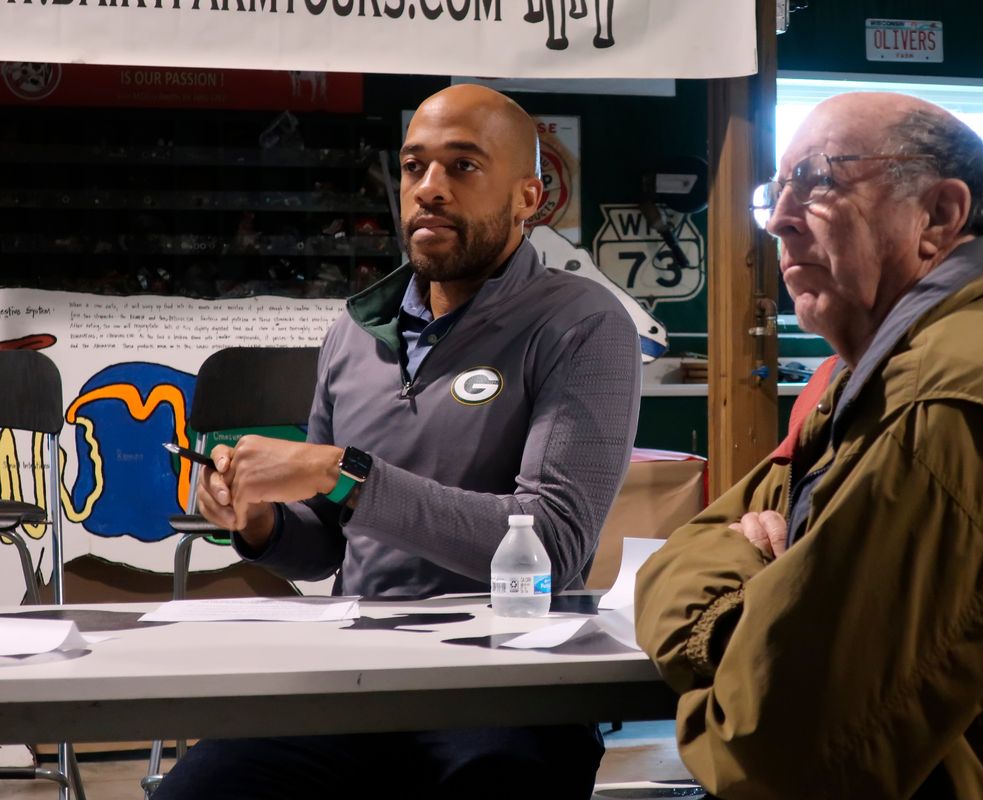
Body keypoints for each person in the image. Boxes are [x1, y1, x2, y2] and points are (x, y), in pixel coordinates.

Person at [634, 92, 983, 799]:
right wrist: (758, 588)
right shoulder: (884, 375)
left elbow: (772, 748)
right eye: (778, 190)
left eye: (818, 180)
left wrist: (747, 607)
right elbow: (691, 544)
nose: (780, 221)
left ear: (939, 216)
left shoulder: (960, 399)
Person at [154, 84, 641, 800]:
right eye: (414, 167)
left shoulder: (582, 325)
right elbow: (327, 545)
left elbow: (553, 544)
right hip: (358, 676)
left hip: (508, 687)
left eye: (463, 167)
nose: (429, 189)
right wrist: (259, 523)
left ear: (527, 197)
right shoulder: (355, 332)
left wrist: (341, 473)